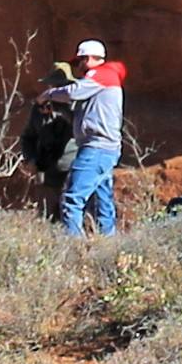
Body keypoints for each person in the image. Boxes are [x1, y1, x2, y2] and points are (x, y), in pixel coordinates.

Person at [43, 37, 128, 234]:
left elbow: (73, 92)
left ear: (88, 58)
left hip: (96, 148)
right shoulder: (101, 81)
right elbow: (81, 117)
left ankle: (75, 250)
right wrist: (59, 110)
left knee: (72, 200)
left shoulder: (102, 74)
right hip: (103, 148)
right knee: (102, 202)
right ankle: (109, 245)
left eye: (78, 62)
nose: (78, 68)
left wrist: (48, 95)